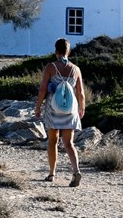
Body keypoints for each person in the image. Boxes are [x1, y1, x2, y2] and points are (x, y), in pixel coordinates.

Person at [33, 37, 86, 187]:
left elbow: (43, 89)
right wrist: (82, 108)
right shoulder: (75, 69)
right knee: (69, 143)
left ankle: (52, 174)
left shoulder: (51, 67)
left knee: (52, 141)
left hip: (53, 109)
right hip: (70, 109)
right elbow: (80, 92)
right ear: (68, 51)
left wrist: (38, 106)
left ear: (56, 51)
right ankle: (76, 171)